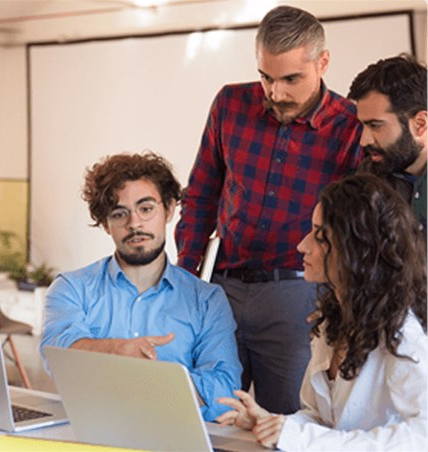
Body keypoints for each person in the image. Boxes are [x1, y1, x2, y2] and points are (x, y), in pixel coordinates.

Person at [175, 5, 362, 414]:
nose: (275, 93)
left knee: (285, 424)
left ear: (322, 62)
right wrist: (186, 278)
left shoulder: (351, 125)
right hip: (221, 290)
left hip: (300, 296)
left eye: (291, 79)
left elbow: (356, 228)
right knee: (208, 415)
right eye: (266, 78)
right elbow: (202, 193)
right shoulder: (230, 103)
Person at [216, 173, 427, 451]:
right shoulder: (332, 322)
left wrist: (299, 437)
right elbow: (320, 421)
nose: (302, 245)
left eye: (319, 236)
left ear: (356, 249)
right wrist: (272, 423)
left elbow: (422, 436)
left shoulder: (402, 333)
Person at [40, 151, 242, 421]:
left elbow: (226, 390)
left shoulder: (207, 300)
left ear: (169, 210)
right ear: (105, 223)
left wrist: (147, 383)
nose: (134, 224)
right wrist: (120, 351)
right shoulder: (71, 289)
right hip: (91, 435)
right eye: (119, 213)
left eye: (146, 209)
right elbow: (58, 356)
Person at [348, 54, 427, 234]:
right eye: (362, 125)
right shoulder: (368, 176)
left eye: (375, 125)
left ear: (420, 124)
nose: (364, 141)